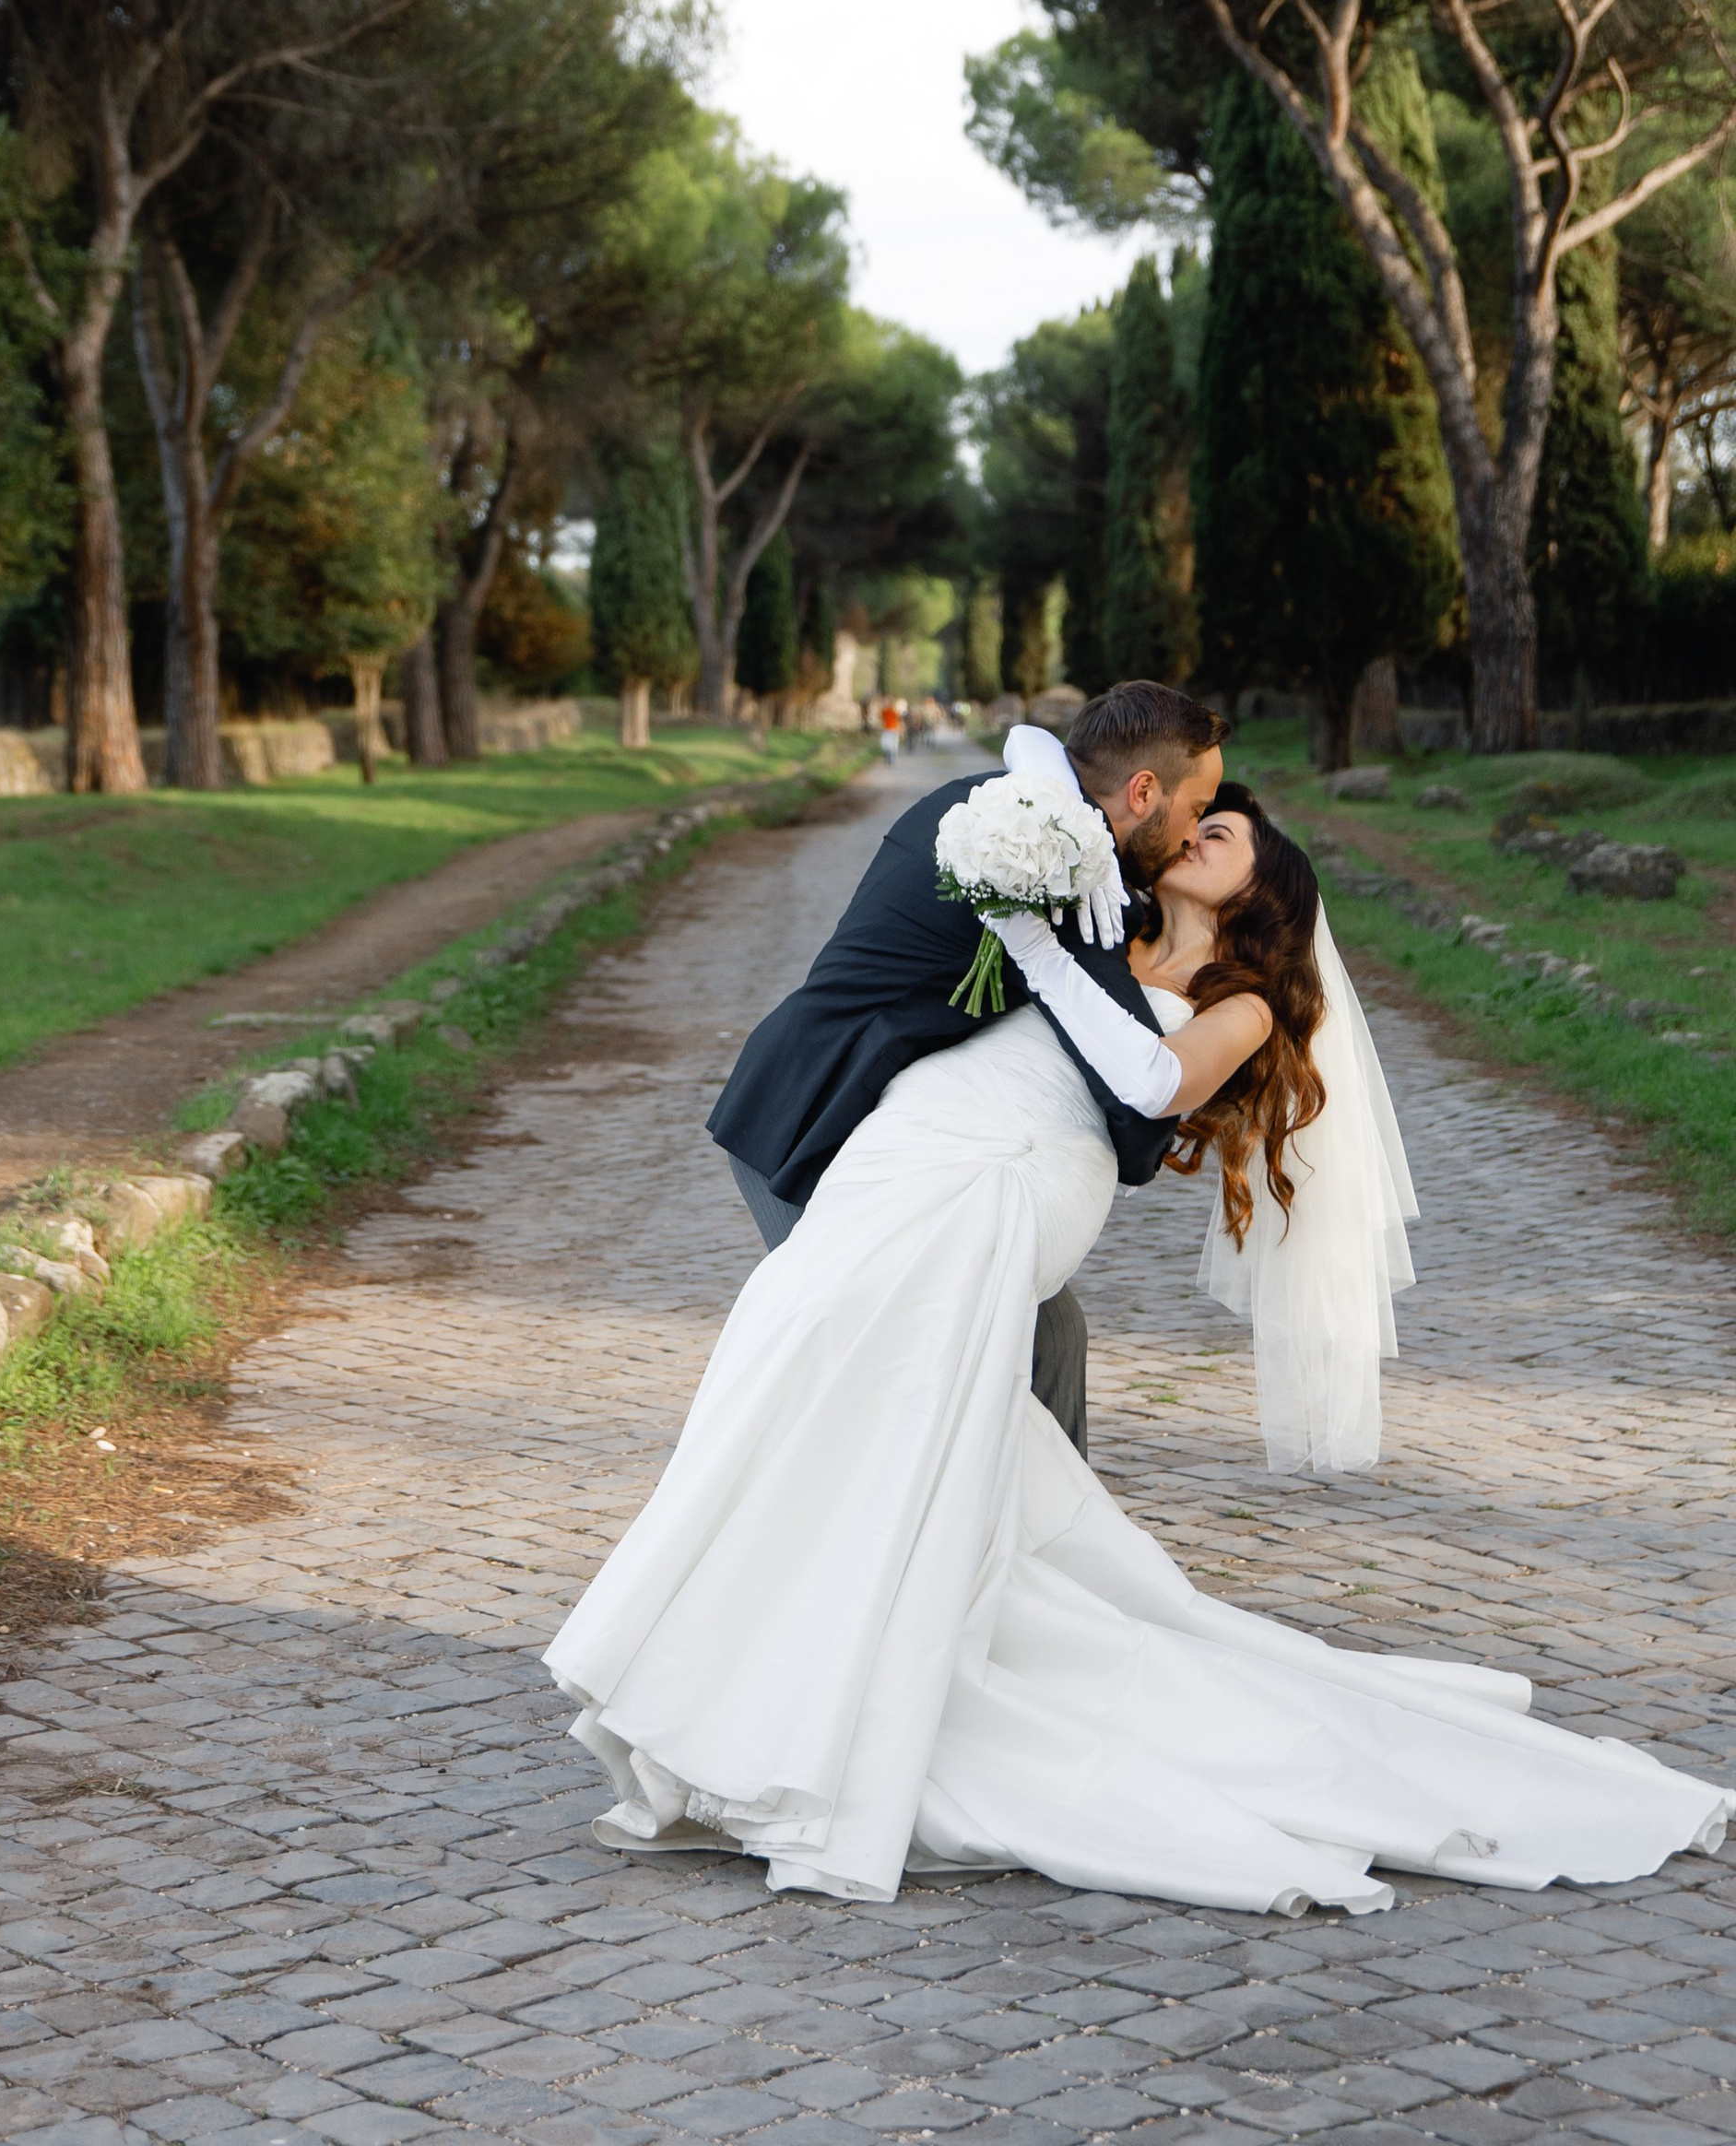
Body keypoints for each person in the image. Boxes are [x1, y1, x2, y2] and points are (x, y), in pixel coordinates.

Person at [546, 783, 1730, 1915]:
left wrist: (1043, 951)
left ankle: (820, 1720)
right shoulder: (1104, 916)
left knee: (874, 1399)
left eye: (1226, 835)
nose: (1202, 832)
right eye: (1199, 819)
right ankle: (750, 1679)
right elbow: (1031, 776)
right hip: (910, 1148)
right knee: (794, 1375)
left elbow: (1152, 1080)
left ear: (1262, 895)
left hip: (999, 1184)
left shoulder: (1243, 1002)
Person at [709, 680, 1222, 1453]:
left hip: (887, 1134)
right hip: (808, 1128)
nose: (1193, 837)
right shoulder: (1054, 857)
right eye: (1194, 812)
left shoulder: (998, 799)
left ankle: (1044, 1543)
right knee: (879, 1365)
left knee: (1051, 1334)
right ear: (1144, 791)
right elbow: (1125, 1077)